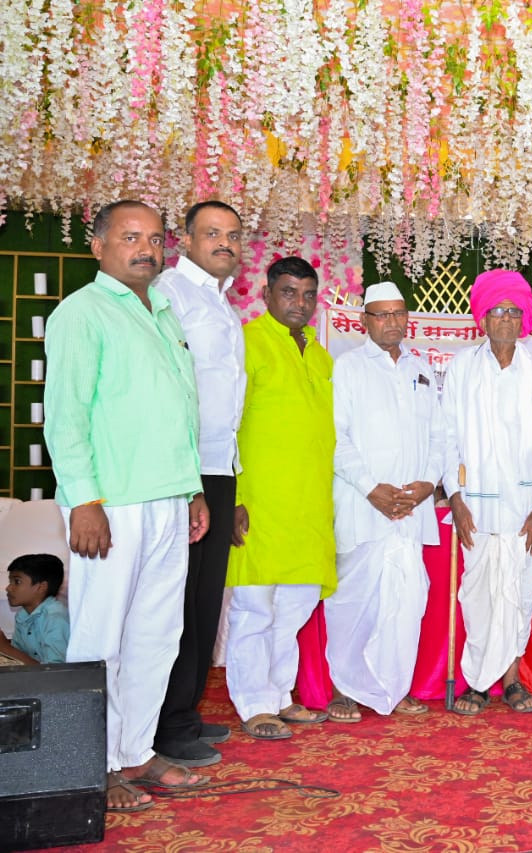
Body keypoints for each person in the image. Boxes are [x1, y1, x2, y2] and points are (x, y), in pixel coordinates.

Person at [44, 200, 211, 811]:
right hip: (111, 503)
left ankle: (135, 751)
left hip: (167, 498)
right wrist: (85, 500)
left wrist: (192, 489)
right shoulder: (82, 312)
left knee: (157, 635)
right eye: (130, 237)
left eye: (155, 239)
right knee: (100, 637)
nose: (146, 249)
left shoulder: (162, 312)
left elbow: (178, 410)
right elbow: (65, 416)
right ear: (97, 246)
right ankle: (90, 764)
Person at [225, 256, 338, 740]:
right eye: (289, 292)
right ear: (266, 294)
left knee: (294, 608)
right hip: (260, 502)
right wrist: (233, 496)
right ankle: (254, 704)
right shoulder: (246, 343)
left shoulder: (321, 355)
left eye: (309, 294)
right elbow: (225, 424)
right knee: (255, 607)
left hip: (310, 503)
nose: (300, 303)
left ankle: (278, 694)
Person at [150, 200, 245, 767]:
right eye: (212, 233)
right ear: (185, 240)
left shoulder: (221, 302)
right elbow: (170, 390)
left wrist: (232, 479)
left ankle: (183, 712)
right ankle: (161, 724)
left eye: (232, 234)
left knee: (205, 602)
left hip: (219, 466)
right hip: (186, 470)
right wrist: (190, 481)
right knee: (177, 602)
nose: (224, 243)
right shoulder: (169, 293)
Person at [328, 281, 444, 721]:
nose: (392, 322)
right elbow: (336, 438)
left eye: (399, 313)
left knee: (406, 602)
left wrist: (427, 482)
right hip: (363, 505)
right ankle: (344, 689)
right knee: (354, 602)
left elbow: (439, 436)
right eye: (382, 314)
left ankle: (395, 689)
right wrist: (371, 487)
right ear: (365, 321)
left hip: (411, 507)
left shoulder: (421, 368)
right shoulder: (348, 367)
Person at [444, 270, 532, 715]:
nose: (506, 319)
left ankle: (511, 681)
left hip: (526, 507)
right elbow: (446, 437)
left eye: (514, 311)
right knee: (478, 597)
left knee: (518, 593)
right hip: (475, 506)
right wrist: (455, 497)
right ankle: (476, 682)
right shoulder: (462, 368)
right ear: (483, 318)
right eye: (497, 311)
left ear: (525, 318)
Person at [1, 554, 69, 665]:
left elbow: (54, 671)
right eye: (10, 582)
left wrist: (6, 648)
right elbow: (19, 658)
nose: (8, 588)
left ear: (41, 587)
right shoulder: (22, 615)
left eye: (17, 582)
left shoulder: (55, 618)